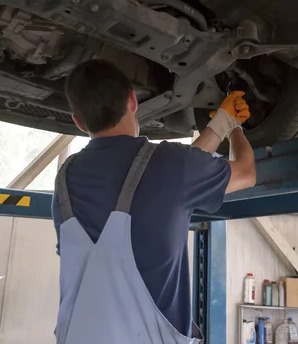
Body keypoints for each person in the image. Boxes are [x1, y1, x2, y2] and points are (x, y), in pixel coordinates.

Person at [52, 59, 257, 344]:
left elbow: (171, 181)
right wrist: (235, 128)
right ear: (133, 100)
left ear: (77, 121)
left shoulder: (65, 179)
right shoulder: (170, 166)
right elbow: (246, 173)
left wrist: (221, 124)